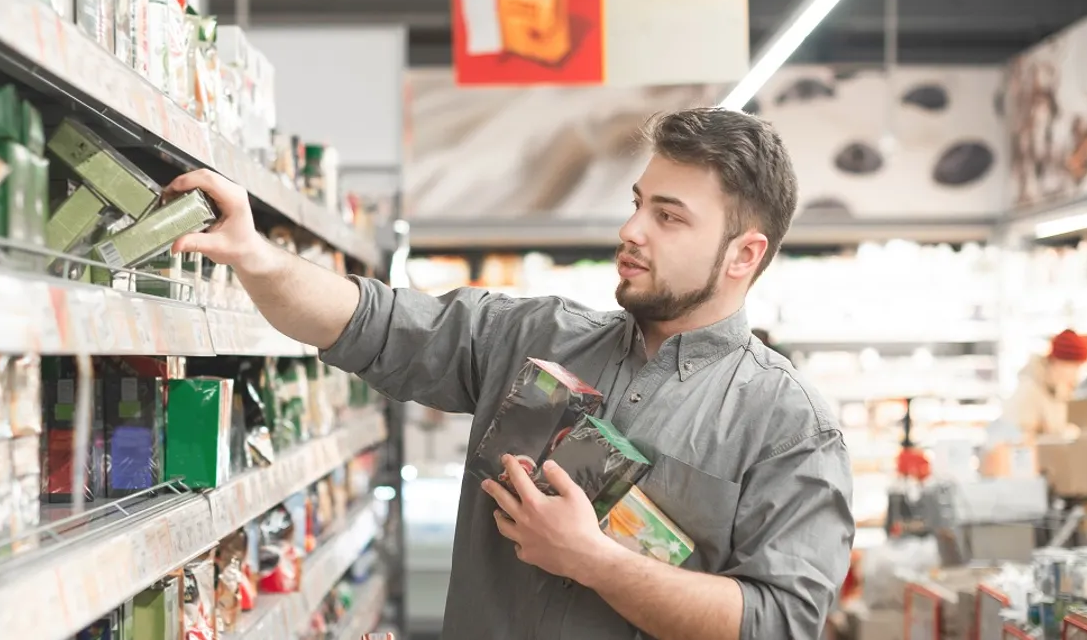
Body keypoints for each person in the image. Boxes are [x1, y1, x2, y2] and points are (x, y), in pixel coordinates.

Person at [165, 108, 853, 640]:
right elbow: (366, 320)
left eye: (667, 217)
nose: (631, 229)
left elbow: (781, 622)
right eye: (638, 202)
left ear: (743, 255)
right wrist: (256, 258)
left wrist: (594, 560)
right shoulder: (530, 337)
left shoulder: (791, 424)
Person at [1006, 328, 1087, 440]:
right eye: (1074, 366)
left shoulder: (1061, 388)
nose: (1076, 373)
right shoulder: (1030, 387)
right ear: (1058, 361)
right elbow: (1016, 436)